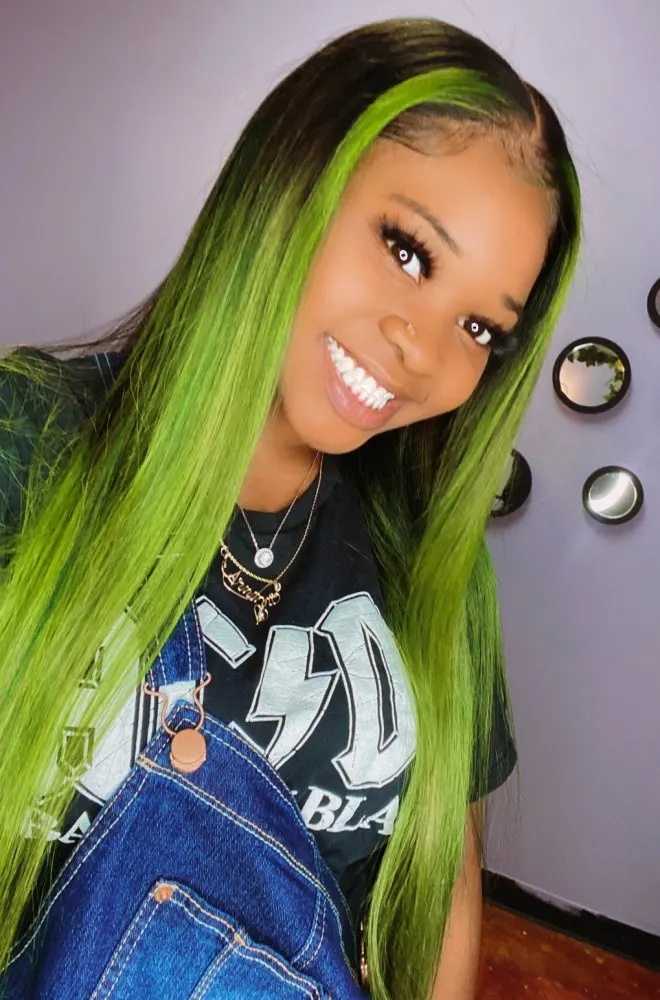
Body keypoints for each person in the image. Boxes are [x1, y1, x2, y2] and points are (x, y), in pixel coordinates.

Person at [0, 16, 580, 1000]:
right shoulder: (27, 442)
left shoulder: (428, 561)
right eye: (408, 251)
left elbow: (444, 871)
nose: (424, 351)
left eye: (481, 327)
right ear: (291, 182)